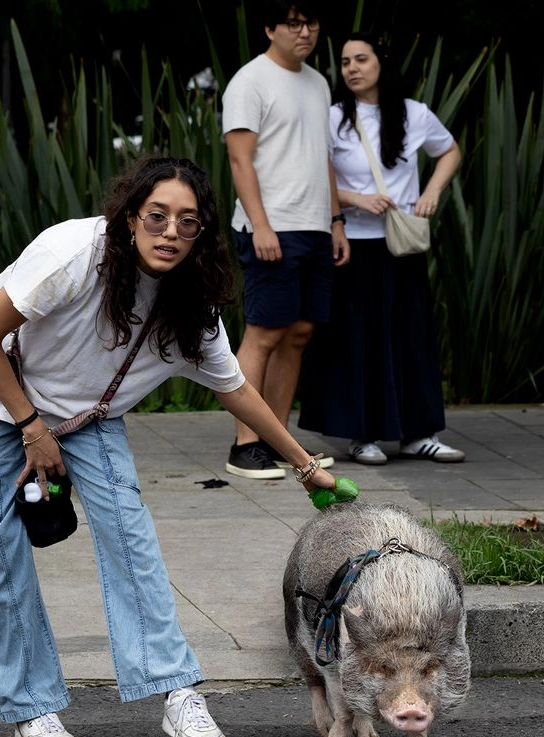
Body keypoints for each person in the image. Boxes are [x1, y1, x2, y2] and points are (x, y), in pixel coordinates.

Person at [0, 154, 340, 737]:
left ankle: (178, 694)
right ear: (130, 217)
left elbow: (237, 390)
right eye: (157, 216)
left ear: (202, 232)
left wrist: (305, 465)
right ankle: (34, 708)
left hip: (84, 413)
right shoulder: (74, 253)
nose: (170, 232)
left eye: (188, 221)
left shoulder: (190, 304)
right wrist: (30, 427)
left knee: (133, 541)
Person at [298, 31, 465, 465]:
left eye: (361, 59)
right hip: (353, 244)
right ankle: (361, 435)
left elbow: (449, 152)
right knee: (356, 339)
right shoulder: (333, 117)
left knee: (411, 335)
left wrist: (431, 192)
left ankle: (418, 434)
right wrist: (356, 200)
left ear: (381, 64)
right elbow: (319, 176)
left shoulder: (415, 114)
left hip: (402, 243)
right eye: (345, 61)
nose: (351, 68)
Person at [220, 0, 349, 480]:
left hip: (314, 227)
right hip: (270, 227)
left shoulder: (317, 83)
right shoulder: (249, 81)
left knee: (298, 334)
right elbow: (240, 160)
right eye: (293, 23)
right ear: (270, 28)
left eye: (312, 22)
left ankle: (280, 442)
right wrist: (261, 225)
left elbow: (324, 157)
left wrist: (336, 220)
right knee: (264, 333)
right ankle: (245, 445)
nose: (305, 31)